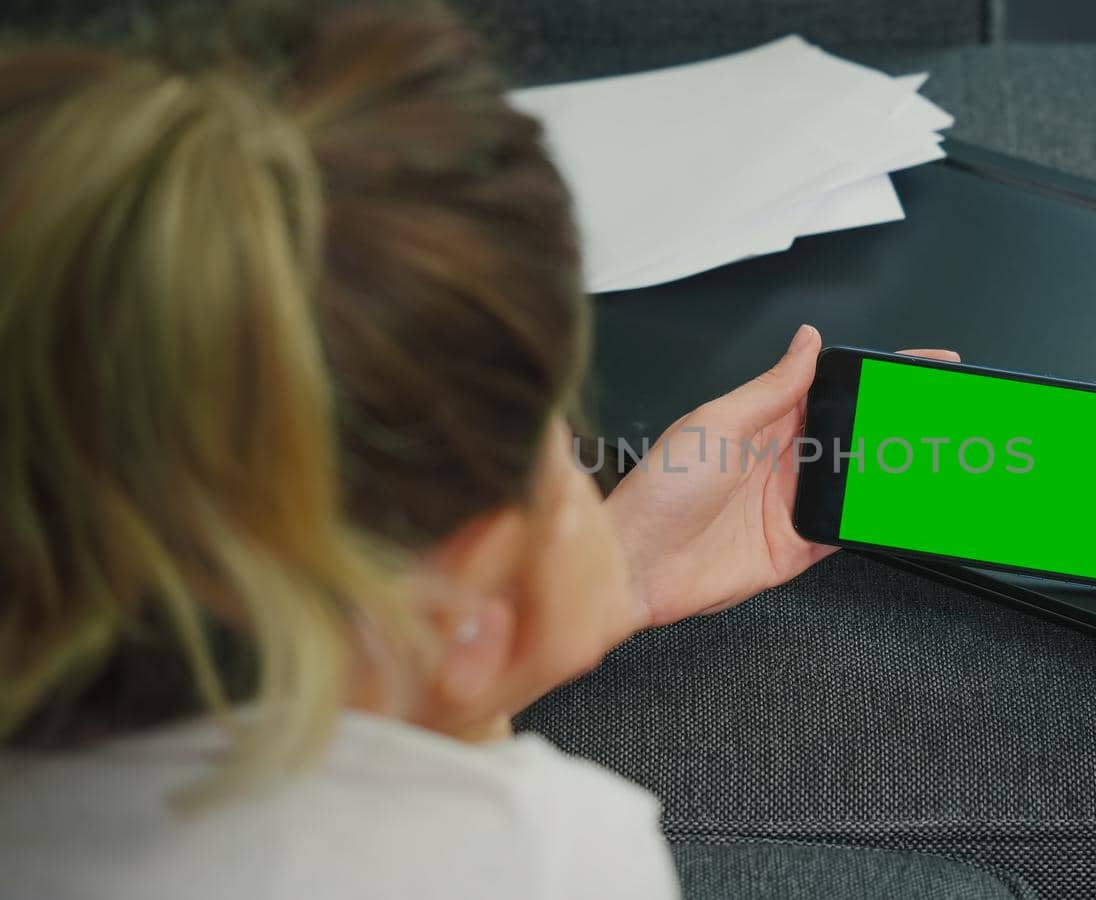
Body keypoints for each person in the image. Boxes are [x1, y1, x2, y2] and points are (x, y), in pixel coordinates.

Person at [0, 2, 956, 897]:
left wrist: (611, 574)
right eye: (559, 428)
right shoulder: (534, 853)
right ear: (471, 603)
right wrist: (505, 658)